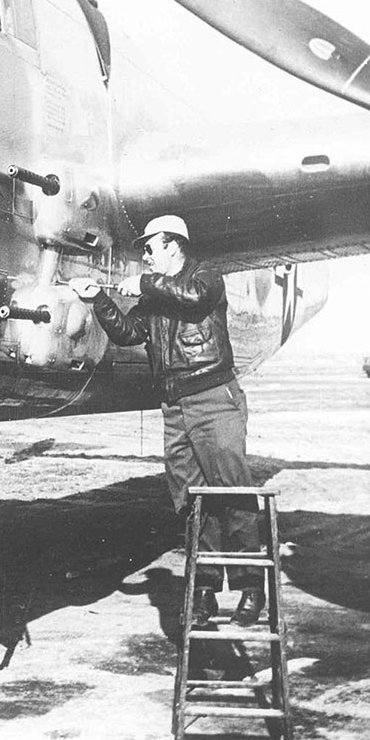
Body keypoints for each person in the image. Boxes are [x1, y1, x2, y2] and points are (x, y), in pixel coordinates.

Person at [69, 214, 264, 627]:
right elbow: (127, 333)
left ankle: (251, 585)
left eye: (151, 247)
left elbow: (192, 297)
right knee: (192, 499)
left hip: (213, 398)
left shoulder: (206, 277)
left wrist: (143, 284)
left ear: (174, 245)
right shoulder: (156, 293)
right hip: (174, 406)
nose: (145, 255)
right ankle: (206, 589)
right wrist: (97, 300)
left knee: (232, 491)